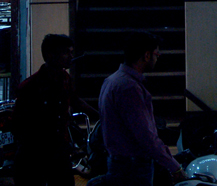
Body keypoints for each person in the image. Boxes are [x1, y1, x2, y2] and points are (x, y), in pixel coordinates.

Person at [87, 31, 188, 186]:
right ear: (146, 55)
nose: (158, 58)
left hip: (117, 161)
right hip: (133, 167)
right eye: (156, 53)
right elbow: (145, 135)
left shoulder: (111, 81)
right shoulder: (130, 88)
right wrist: (174, 167)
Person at [12, 33, 98, 186]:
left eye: (71, 52)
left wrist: (100, 115)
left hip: (58, 150)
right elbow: (19, 124)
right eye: (66, 52)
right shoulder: (30, 87)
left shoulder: (64, 79)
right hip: (35, 153)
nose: (70, 57)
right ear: (50, 54)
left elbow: (75, 100)